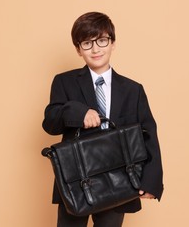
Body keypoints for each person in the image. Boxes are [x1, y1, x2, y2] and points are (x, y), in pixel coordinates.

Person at [42, 12, 163, 227]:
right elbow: (50, 122)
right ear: (78, 50)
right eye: (87, 43)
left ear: (112, 43)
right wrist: (79, 113)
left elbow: (148, 133)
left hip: (118, 178)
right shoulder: (64, 82)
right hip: (76, 180)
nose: (96, 49)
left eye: (102, 40)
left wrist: (151, 181)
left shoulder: (132, 90)